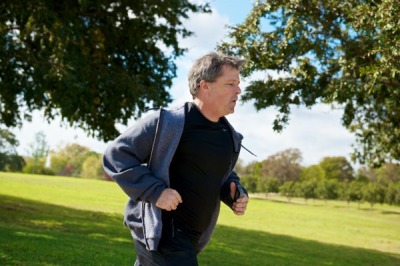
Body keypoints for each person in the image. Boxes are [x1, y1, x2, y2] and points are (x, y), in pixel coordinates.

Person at [103, 52, 249, 266]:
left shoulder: (228, 136)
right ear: (204, 86)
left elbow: (220, 173)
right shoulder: (168, 123)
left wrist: (233, 191)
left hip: (191, 239)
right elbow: (116, 154)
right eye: (230, 84)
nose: (238, 90)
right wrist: (156, 192)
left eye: (238, 84)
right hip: (162, 233)